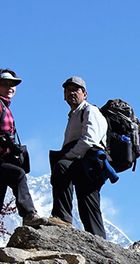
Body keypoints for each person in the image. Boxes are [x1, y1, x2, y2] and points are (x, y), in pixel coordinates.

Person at [0, 68, 52, 253]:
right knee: (17, 174)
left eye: (12, 84)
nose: (10, 87)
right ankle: (28, 214)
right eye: (4, 84)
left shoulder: (3, 106)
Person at [50, 76, 108, 238]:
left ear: (85, 94)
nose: (71, 93)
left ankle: (62, 217)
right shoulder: (74, 114)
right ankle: (97, 240)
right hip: (83, 162)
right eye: (68, 90)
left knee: (88, 203)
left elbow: (90, 139)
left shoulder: (90, 111)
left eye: (76, 90)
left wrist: (68, 156)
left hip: (89, 162)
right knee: (87, 206)